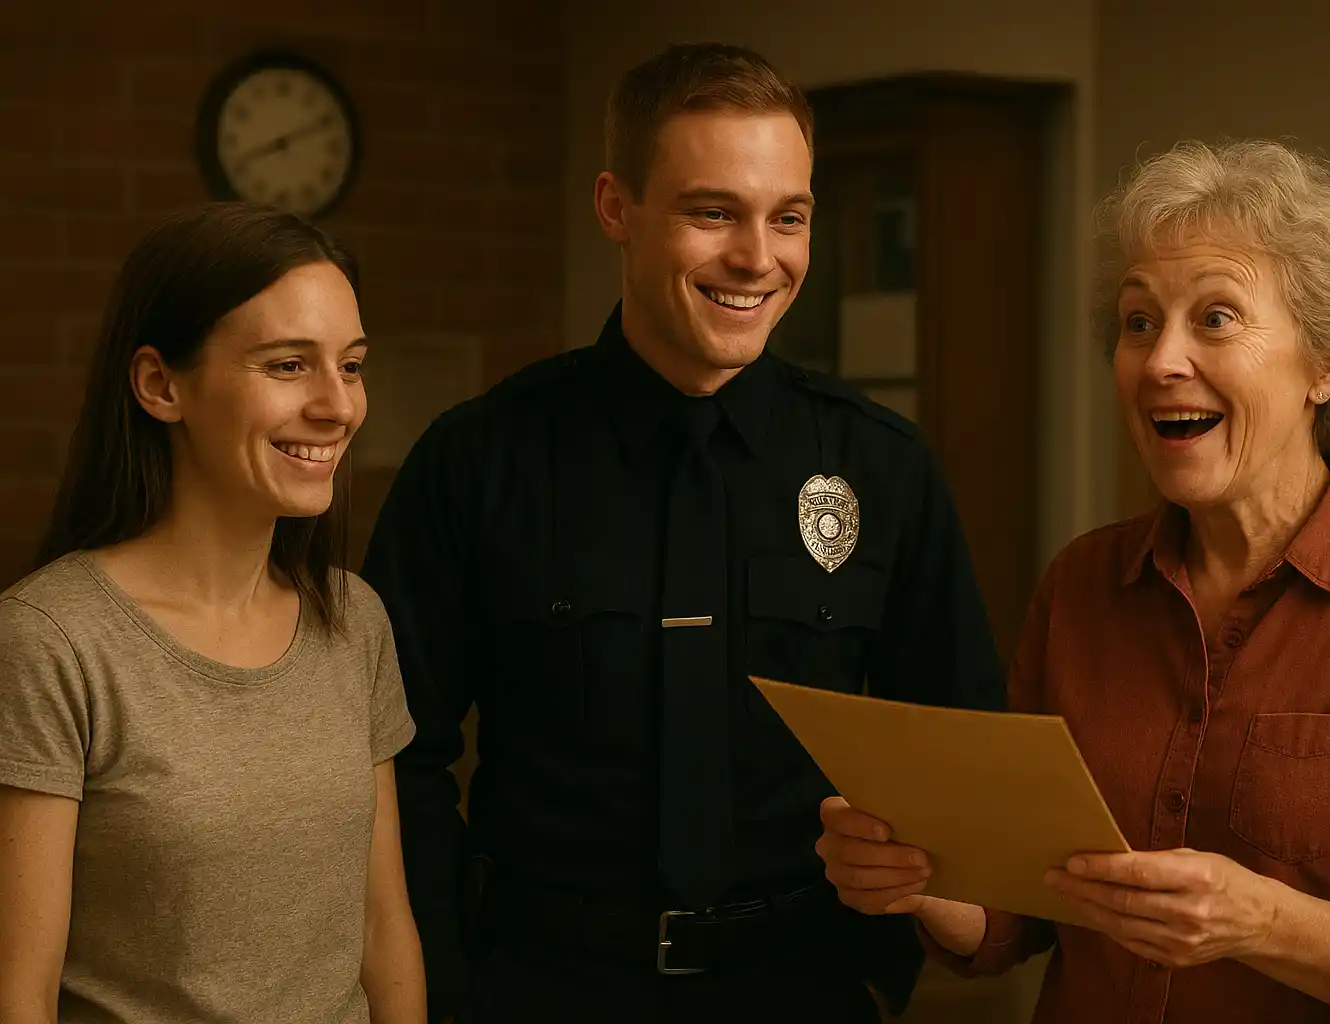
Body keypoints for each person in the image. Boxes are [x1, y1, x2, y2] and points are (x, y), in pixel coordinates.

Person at [359, 41, 1005, 1024]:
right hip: (543, 988)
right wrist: (446, 986)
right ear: (617, 208)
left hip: (804, 987)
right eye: (713, 211)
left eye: (788, 218)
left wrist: (881, 965)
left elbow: (959, 746)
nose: (758, 256)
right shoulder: (479, 461)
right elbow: (390, 755)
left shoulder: (884, 467)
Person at [816, 138, 1330, 1023]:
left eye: (1217, 318)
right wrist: (919, 878)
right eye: (1139, 321)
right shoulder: (1082, 582)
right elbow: (1019, 917)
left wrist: (1259, 921)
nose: (1160, 363)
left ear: (1327, 364)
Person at [0, 203, 427, 1024]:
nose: (338, 406)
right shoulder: (52, 642)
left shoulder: (353, 620)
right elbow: (21, 992)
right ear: (162, 385)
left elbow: (383, 931)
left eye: (352, 365)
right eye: (288, 366)